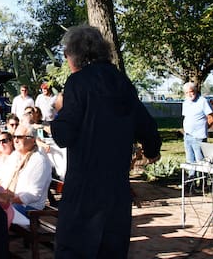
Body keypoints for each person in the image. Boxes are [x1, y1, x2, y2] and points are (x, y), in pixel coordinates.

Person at [50, 25, 162, 259]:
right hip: (116, 192)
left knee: (75, 251)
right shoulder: (122, 82)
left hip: (84, 191)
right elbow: (147, 126)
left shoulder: (77, 83)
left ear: (75, 53)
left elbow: (63, 136)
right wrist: (152, 150)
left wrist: (59, 110)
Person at [0, 124, 51, 217]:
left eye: (19, 137)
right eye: (14, 136)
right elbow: (2, 179)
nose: (15, 140)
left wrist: (7, 200)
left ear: (33, 140)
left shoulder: (39, 161)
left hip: (29, 209)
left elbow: (33, 195)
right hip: (12, 202)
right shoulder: (15, 156)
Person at [182, 82, 213, 176]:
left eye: (191, 92)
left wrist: (203, 128)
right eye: (186, 92)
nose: (189, 94)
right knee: (190, 161)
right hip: (187, 136)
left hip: (199, 137)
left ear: (195, 91)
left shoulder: (202, 101)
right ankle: (191, 182)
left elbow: (211, 117)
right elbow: (186, 117)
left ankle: (201, 184)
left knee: (200, 162)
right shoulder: (185, 103)